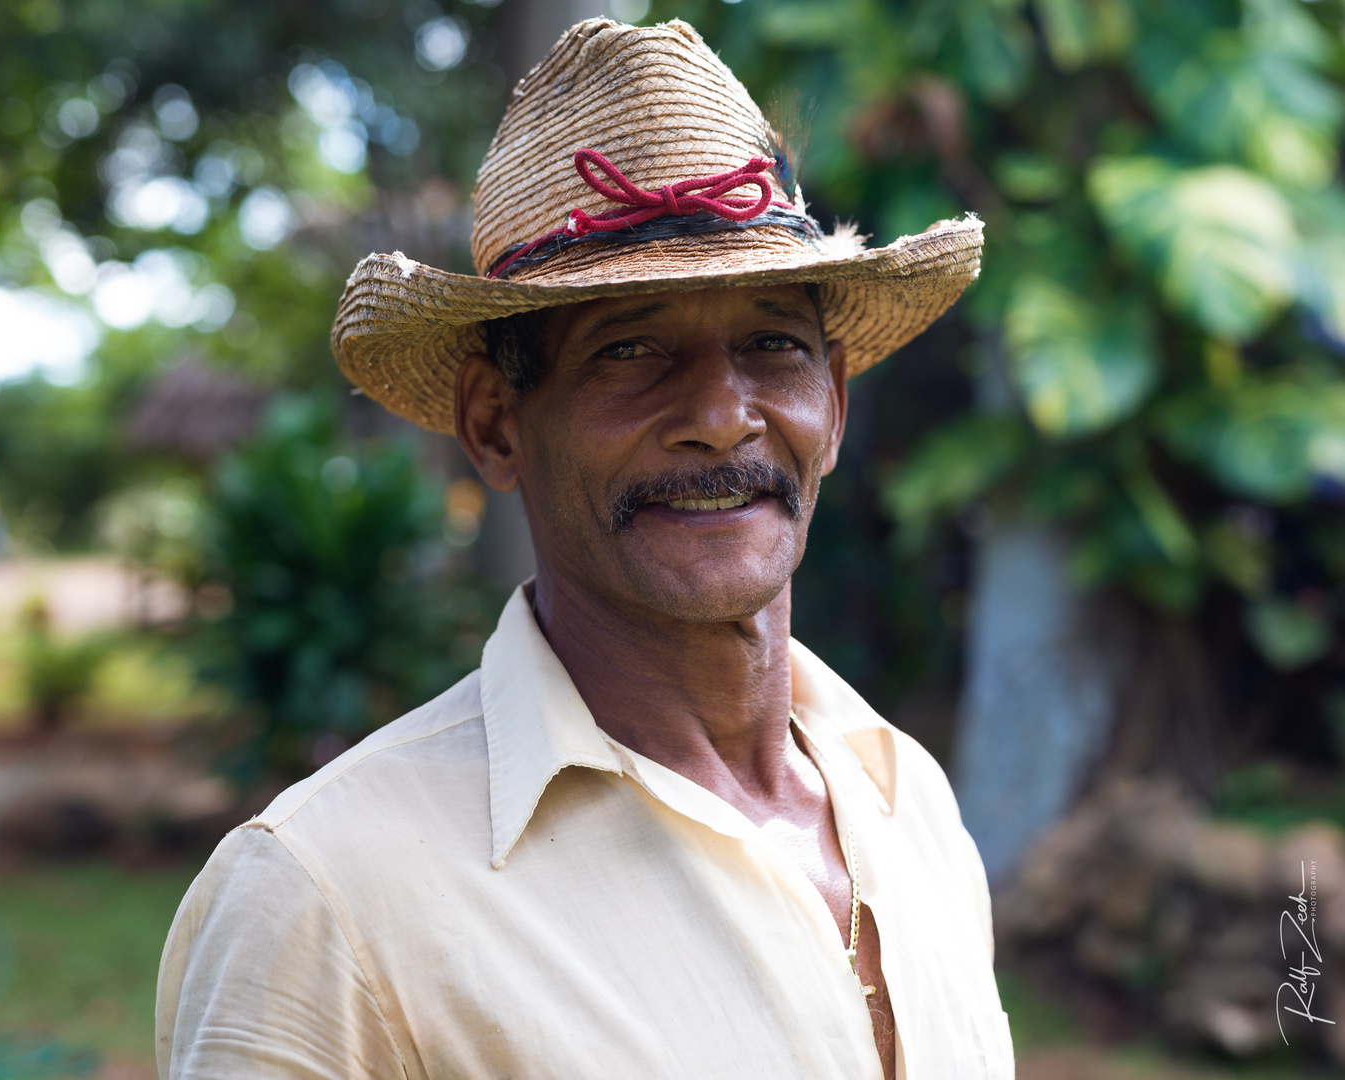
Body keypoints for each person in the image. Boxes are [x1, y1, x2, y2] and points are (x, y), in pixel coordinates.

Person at [156, 18, 1005, 1080]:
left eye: (772, 344)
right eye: (631, 348)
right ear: (495, 425)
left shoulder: (905, 800)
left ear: (831, 404)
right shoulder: (330, 901)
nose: (719, 415)